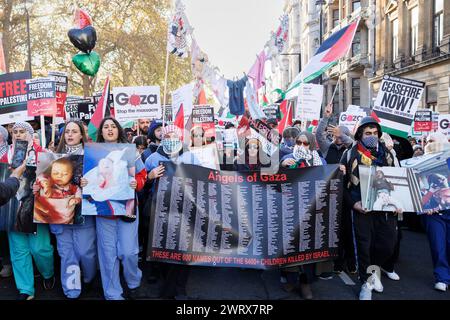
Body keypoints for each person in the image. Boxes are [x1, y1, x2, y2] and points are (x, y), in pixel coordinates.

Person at [81, 117, 147, 300]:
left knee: (128, 252)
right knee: (107, 255)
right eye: (106, 127)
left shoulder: (130, 152)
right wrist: (84, 183)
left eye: (112, 127)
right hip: (104, 213)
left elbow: (142, 175)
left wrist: (137, 183)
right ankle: (112, 293)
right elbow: (86, 182)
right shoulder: (93, 154)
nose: (109, 129)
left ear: (118, 130)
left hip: (127, 209)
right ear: (101, 131)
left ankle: (133, 281)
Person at [33, 120, 98, 299]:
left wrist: (89, 183)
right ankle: (72, 290)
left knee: (85, 252)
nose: (70, 134)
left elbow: (103, 182)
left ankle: (89, 277)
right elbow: (43, 181)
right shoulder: (52, 156)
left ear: (81, 135)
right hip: (59, 214)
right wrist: (37, 188)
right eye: (67, 131)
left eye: (74, 131)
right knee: (66, 253)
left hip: (84, 212)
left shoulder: (91, 156)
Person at [340, 116, 400, 300]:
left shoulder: (388, 154)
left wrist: (400, 202)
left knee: (387, 245)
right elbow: (341, 185)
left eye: (375, 133)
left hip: (385, 208)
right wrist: (353, 203)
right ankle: (366, 283)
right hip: (361, 208)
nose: (372, 136)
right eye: (368, 133)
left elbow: (398, 180)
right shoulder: (349, 154)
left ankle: (375, 272)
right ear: (360, 134)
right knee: (364, 247)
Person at [145, 124, 200, 299]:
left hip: (186, 208)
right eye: (167, 137)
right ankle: (167, 282)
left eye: (174, 136)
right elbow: (142, 184)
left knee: (184, 247)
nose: (170, 140)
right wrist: (150, 176)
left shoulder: (190, 156)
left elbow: (202, 178)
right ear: (162, 139)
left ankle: (180, 286)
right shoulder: (152, 158)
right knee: (164, 248)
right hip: (160, 209)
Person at [7, 121, 55, 300]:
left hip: (37, 207)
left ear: (30, 134)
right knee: (19, 250)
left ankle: (48, 273)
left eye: (22, 131)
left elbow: (55, 182)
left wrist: (42, 186)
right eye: (15, 132)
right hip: (11, 207)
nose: (18, 134)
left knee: (40, 248)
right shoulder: (5, 155)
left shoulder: (43, 154)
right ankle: (25, 289)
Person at [421, 133, 450, 292]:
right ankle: (442, 277)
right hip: (433, 213)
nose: (429, 144)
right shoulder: (421, 164)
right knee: (438, 246)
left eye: (433, 141)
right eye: (428, 141)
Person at [33, 157, 82, 224]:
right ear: (51, 172)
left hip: (64, 219)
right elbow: (40, 177)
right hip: (44, 213)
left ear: (71, 175)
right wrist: (45, 184)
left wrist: (76, 200)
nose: (59, 176)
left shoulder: (73, 187)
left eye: (65, 174)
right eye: (55, 173)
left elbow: (79, 196)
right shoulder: (49, 181)